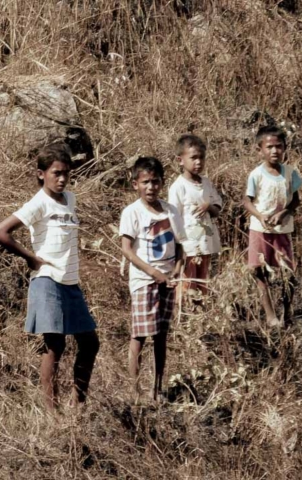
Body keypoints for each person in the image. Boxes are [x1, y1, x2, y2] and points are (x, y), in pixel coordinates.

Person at [0, 143, 100, 411]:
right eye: (56, 173)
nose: (62, 179)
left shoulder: (70, 199)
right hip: (47, 280)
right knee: (55, 346)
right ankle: (52, 413)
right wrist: (30, 258)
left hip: (70, 282)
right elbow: (0, 232)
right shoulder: (39, 202)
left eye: (66, 174)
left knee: (90, 343)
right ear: (42, 174)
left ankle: (77, 404)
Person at [119, 157, 186, 402]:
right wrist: (153, 273)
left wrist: (177, 269)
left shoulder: (171, 211)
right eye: (145, 182)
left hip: (167, 280)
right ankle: (134, 391)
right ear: (135, 184)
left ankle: (157, 389)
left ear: (162, 183)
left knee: (161, 334)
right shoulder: (132, 212)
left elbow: (180, 246)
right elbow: (127, 249)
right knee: (139, 335)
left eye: (155, 182)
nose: (150, 187)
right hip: (144, 281)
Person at [243, 125, 302, 327]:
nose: (274, 151)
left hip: (282, 230)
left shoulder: (290, 173)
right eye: (269, 147)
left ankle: (287, 314)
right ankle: (270, 315)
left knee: (287, 272)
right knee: (258, 270)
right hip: (259, 230)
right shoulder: (256, 175)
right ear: (259, 149)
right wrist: (260, 216)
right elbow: (247, 202)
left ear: (285, 147)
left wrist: (284, 212)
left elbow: (296, 200)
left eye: (279, 146)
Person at [168, 134, 222, 301]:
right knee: (188, 283)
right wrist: (178, 246)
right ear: (180, 160)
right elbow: (173, 218)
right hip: (188, 246)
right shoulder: (178, 187)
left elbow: (218, 208)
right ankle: (186, 318)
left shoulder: (206, 183)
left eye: (201, 158)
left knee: (203, 281)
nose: (198, 162)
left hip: (206, 242)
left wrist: (208, 206)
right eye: (193, 158)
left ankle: (201, 318)